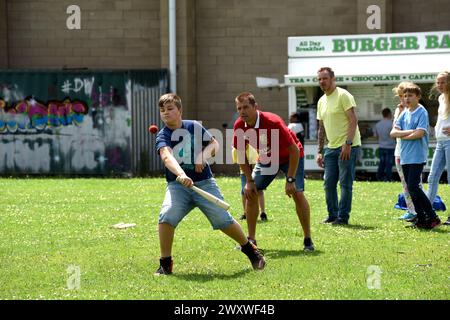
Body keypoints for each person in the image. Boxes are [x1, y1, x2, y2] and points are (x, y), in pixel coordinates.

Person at [154, 93, 265, 275]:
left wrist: (202, 156)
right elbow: (167, 156)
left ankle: (250, 250)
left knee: (222, 219)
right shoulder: (163, 135)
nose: (165, 113)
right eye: (162, 110)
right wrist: (181, 174)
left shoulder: (193, 126)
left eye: (170, 109)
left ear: (180, 111)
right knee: (167, 216)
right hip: (178, 186)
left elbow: (214, 144)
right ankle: (165, 263)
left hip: (204, 183)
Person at [233, 92, 314, 251]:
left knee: (297, 193)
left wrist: (290, 179)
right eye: (239, 108)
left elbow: (294, 151)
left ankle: (308, 240)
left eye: (246, 107)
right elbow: (241, 155)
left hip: (290, 156)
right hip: (267, 157)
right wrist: (249, 181)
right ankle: (251, 240)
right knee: (251, 192)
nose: (242, 111)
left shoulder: (272, 121)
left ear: (255, 107)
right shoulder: (239, 125)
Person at [390, 84, 441, 229]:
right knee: (411, 188)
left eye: (410, 95)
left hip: (417, 156)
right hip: (405, 156)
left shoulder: (421, 112)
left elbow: (420, 133)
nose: (407, 98)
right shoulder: (404, 112)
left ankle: (432, 217)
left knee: (413, 186)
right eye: (405, 96)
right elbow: (393, 133)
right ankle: (421, 219)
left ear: (418, 97)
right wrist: (409, 132)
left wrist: (403, 135)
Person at [315, 67, 361, 225]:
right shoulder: (321, 101)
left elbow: (353, 120)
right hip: (331, 147)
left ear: (333, 79)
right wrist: (320, 151)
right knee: (328, 183)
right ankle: (332, 215)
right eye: (319, 79)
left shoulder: (343, 95)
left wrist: (347, 144)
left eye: (325, 78)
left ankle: (343, 217)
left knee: (345, 183)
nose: (322, 81)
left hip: (348, 146)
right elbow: (321, 128)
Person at [392, 82, 419, 221]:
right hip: (399, 151)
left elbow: (417, 131)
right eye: (402, 96)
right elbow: (394, 131)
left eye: (407, 96)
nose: (404, 99)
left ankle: (419, 211)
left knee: (415, 184)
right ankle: (411, 209)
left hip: (413, 153)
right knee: (405, 184)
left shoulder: (417, 110)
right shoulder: (399, 110)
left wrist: (401, 133)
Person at [426, 71, 450, 226]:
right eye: (438, 82)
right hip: (440, 142)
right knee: (432, 176)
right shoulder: (441, 98)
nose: (439, 85)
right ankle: (428, 213)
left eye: (442, 82)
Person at [232, 145, 268, 221]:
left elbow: (257, 161)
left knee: (259, 191)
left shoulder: (253, 148)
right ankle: (245, 213)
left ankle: (263, 212)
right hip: (244, 173)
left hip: (255, 171)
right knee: (244, 192)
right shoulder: (235, 149)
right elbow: (239, 162)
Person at [374, 108, 396, 181]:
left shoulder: (378, 124)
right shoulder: (392, 124)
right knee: (389, 164)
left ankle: (379, 177)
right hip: (390, 146)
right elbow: (394, 135)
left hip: (381, 146)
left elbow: (375, 136)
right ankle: (388, 178)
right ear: (389, 114)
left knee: (382, 163)